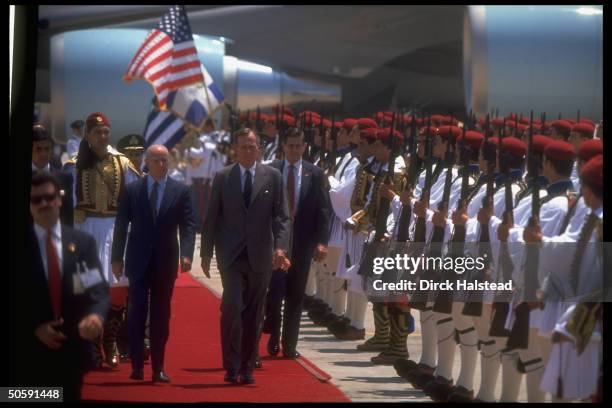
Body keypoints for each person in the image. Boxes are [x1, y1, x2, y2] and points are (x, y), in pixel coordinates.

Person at [201, 128, 291, 385]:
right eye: (243, 147)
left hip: (260, 255)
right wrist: (206, 254)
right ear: (235, 149)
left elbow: (283, 217)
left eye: (252, 147)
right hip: (231, 255)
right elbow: (212, 217)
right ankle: (231, 365)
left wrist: (281, 248)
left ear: (259, 149)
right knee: (231, 309)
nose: (248, 151)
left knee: (254, 314)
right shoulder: (223, 176)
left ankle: (247, 366)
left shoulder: (272, 177)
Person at [17, 171, 109, 401]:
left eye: (49, 197)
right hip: (27, 352)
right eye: (36, 200)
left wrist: (95, 317)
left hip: (72, 351)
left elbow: (96, 290)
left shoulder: (82, 243)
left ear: (59, 199)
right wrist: (34, 328)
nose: (44, 204)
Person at [111, 145, 195, 383]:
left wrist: (187, 254)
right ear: (146, 162)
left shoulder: (180, 190)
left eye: (165, 160)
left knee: (161, 315)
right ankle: (137, 365)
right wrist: (116, 258)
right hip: (138, 260)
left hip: (165, 262)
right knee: (137, 312)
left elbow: (188, 225)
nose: (162, 164)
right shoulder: (133, 190)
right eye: (157, 160)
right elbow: (120, 226)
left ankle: (158, 367)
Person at [63, 112, 141, 368]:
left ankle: (111, 340)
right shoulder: (73, 164)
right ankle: (93, 344)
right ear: (87, 135)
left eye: (106, 131)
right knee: (88, 287)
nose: (103, 136)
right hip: (86, 233)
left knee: (118, 287)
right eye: (97, 132)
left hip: (115, 231)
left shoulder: (122, 163)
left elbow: (135, 198)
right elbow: (65, 204)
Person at [262, 127, 331, 358]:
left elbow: (324, 211)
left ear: (304, 147)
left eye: (298, 145)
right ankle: (272, 332)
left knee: (295, 295)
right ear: (284, 146)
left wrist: (322, 241)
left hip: (302, 244)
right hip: (276, 243)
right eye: (290, 145)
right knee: (274, 293)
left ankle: (289, 345)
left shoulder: (316, 174)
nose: (294, 150)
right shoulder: (271, 170)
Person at [32, 124, 74, 226]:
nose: (43, 154)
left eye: (46, 149)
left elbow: (68, 215)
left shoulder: (64, 178)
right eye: (38, 149)